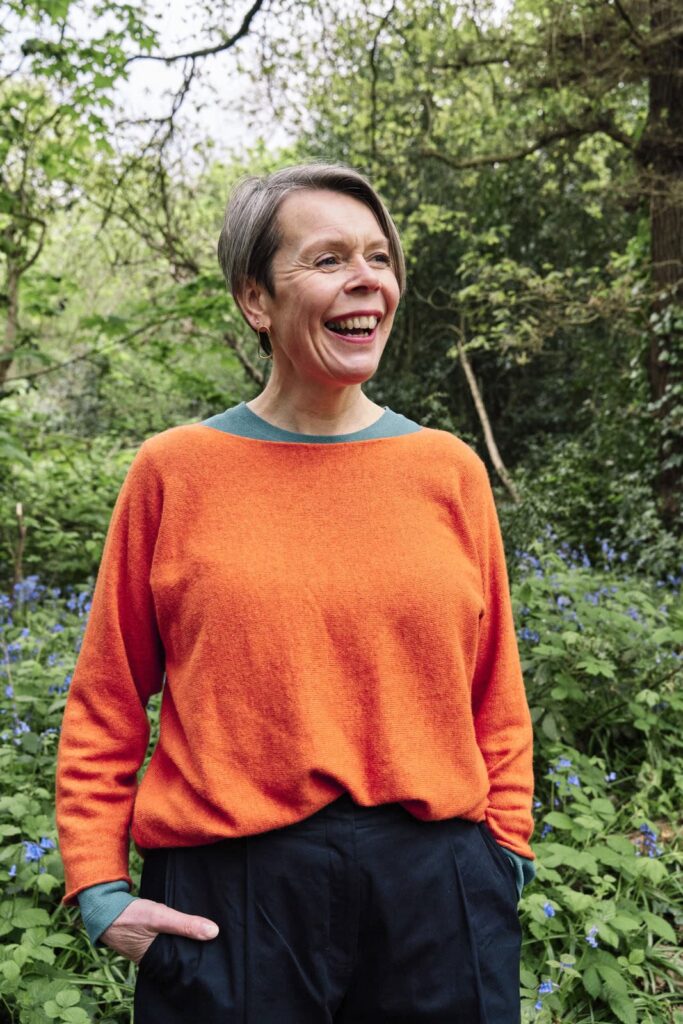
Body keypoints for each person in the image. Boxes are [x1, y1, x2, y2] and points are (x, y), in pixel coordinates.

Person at [56, 162, 536, 1023]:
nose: (366, 281)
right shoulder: (176, 472)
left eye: (378, 257)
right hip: (231, 900)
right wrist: (98, 886)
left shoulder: (447, 471)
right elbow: (107, 697)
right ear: (254, 299)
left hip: (437, 891)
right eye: (326, 260)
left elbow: (494, 690)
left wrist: (503, 854)